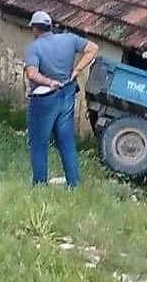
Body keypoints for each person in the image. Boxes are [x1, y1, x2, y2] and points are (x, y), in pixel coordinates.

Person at [23, 10, 98, 188]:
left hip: (44, 100)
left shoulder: (34, 48)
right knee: (66, 141)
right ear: (50, 26)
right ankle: (73, 184)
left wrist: (50, 82)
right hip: (67, 94)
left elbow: (32, 74)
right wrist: (76, 70)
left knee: (39, 143)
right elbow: (93, 48)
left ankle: (40, 184)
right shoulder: (69, 39)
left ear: (35, 29)